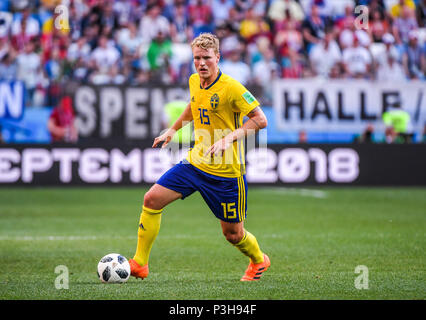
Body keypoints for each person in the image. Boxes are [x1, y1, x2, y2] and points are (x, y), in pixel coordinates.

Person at [129, 33, 270, 282]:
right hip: (195, 163)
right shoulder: (194, 81)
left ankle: (259, 260)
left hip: (226, 174)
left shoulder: (233, 88)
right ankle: (140, 263)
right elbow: (194, 106)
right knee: (151, 199)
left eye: (207, 58)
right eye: (197, 58)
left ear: (218, 57)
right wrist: (173, 130)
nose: (201, 63)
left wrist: (228, 138)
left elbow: (261, 120)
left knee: (233, 235)